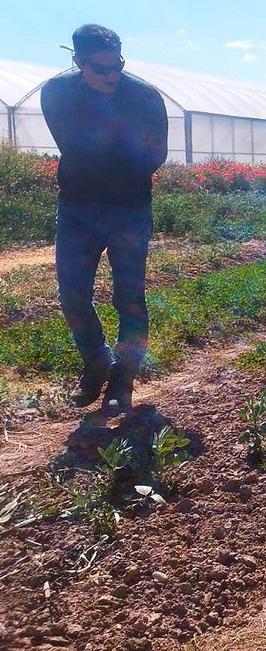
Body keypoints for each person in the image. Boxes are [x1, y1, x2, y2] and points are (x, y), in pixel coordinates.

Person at [40, 24, 168, 413]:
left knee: (129, 298)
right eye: (102, 69)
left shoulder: (144, 96)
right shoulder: (56, 92)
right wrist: (117, 150)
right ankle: (96, 361)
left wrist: (112, 157)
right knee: (72, 295)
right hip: (78, 207)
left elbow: (154, 155)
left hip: (129, 209)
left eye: (118, 65)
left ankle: (124, 379)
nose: (113, 75)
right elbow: (74, 145)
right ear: (78, 62)